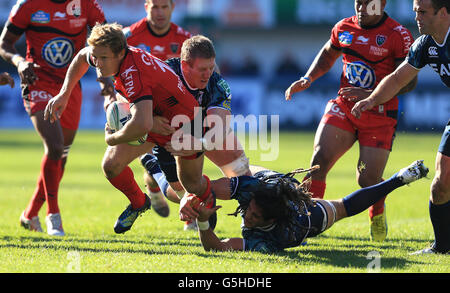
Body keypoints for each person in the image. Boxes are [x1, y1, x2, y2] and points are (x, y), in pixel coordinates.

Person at [44, 23, 212, 235]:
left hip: (185, 124)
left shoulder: (133, 72)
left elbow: (142, 124)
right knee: (111, 166)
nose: (97, 63)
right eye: (96, 57)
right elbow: (80, 58)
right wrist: (64, 94)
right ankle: (138, 202)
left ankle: (222, 196)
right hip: (155, 120)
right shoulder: (109, 55)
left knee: (187, 189)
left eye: (103, 58)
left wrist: (112, 139)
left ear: (120, 53)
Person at [284, 0, 417, 242]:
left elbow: (409, 82)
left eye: (368, 4)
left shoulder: (398, 35)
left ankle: (376, 212)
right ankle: (306, 220)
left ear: (382, 4)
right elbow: (327, 54)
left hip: (379, 116)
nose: (362, 8)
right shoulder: (344, 27)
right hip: (345, 109)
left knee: (367, 179)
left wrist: (372, 96)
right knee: (319, 161)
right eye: (358, 3)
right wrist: (308, 78)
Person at [0, 0, 107, 236]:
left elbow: (106, 42)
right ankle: (53, 216)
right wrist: (19, 61)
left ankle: (29, 215)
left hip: (70, 87)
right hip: (37, 81)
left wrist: (105, 76)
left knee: (61, 157)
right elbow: (5, 43)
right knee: (55, 147)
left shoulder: (87, 5)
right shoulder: (27, 5)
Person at [351, 0, 449, 254]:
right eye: (415, 10)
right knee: (440, 186)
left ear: (443, 13)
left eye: (423, 12)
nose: (416, 16)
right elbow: (397, 79)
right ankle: (442, 248)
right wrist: (371, 100)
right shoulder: (425, 44)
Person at [178, 160, 429, 253]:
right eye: (250, 210)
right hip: (271, 182)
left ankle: (398, 179)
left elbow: (217, 247)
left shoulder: (279, 237)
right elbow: (208, 185)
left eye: (254, 216)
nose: (248, 217)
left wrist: (202, 222)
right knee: (240, 167)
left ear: (269, 221)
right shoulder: (252, 191)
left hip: (304, 216)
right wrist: (193, 198)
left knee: (341, 208)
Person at [140, 35, 252, 231]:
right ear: (185, 66)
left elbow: (220, 128)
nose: (208, 74)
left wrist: (198, 144)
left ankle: (251, 218)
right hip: (170, 135)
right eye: (202, 69)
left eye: (211, 67)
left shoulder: (217, 84)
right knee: (185, 193)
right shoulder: (162, 74)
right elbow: (133, 95)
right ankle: (156, 172)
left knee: (240, 166)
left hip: (203, 130)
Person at [122, 0, 192, 221]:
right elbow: (114, 74)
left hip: (173, 113)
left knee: (178, 166)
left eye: (164, 6)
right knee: (116, 163)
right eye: (155, 7)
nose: (160, 12)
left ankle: (154, 189)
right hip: (139, 109)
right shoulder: (129, 36)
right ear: (146, 7)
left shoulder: (185, 39)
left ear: (172, 8)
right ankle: (189, 211)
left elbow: (208, 73)